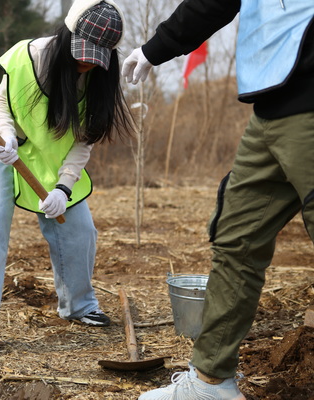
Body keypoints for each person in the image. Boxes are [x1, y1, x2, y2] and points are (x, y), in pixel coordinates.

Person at [121, 0, 314, 398]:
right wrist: (156, 48)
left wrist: (157, 47)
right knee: (236, 239)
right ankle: (211, 383)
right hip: (271, 105)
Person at [0, 0, 133, 361]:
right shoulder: (29, 57)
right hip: (0, 146)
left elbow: (82, 142)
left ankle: (79, 305)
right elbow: (0, 102)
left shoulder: (100, 78)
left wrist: (63, 188)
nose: (87, 63)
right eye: (82, 53)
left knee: (80, 230)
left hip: (50, 158)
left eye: (96, 57)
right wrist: (4, 134)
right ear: (68, 34)